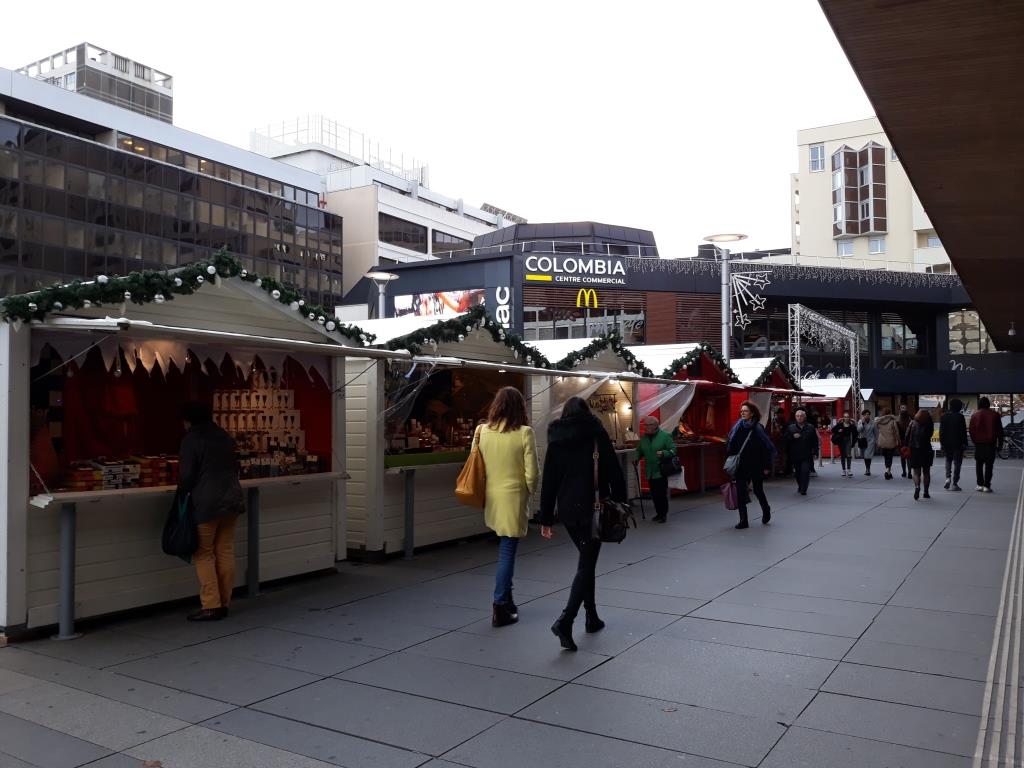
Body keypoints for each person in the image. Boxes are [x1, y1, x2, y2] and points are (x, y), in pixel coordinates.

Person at [540, 397, 627, 652]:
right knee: (586, 564)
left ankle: (592, 616)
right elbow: (613, 469)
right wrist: (621, 503)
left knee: (586, 563)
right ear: (586, 412)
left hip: (567, 510)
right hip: (594, 507)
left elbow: (550, 480)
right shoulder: (596, 434)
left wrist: (545, 517)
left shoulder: (556, 439)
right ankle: (565, 620)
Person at [477, 386, 538, 628]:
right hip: (514, 497)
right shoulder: (525, 433)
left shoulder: (482, 430)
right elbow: (532, 472)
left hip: (492, 496)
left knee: (505, 544)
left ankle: (508, 600)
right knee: (507, 549)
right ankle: (500, 604)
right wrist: (531, 491)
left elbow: (478, 463)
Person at [179, 401, 244, 622]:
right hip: (232, 499)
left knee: (203, 552)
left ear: (188, 420)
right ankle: (224, 602)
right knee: (225, 550)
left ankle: (211, 605)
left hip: (206, 502)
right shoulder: (224, 436)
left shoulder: (191, 439)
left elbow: (187, 476)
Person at [725, 401, 777, 529]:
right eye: (741, 411)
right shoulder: (737, 428)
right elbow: (731, 447)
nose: (742, 413)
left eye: (745, 411)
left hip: (756, 465)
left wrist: (766, 466)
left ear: (752, 413)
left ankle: (766, 509)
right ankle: (743, 520)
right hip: (741, 466)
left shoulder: (758, 428)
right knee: (740, 492)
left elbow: (765, 448)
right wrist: (731, 459)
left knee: (758, 490)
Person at [634, 415, 675, 524]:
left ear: (655, 425)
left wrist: (664, 453)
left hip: (661, 469)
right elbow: (639, 450)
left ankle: (663, 514)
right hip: (650, 470)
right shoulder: (644, 438)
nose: (645, 427)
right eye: (644, 425)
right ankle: (658, 513)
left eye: (647, 425)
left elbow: (673, 450)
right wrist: (636, 458)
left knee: (661, 493)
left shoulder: (665, 436)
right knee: (654, 493)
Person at [969, 396, 1004, 493]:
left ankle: (979, 484)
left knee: (979, 464)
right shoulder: (995, 415)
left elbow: (971, 431)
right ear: (988, 404)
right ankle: (987, 485)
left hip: (979, 444)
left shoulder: (975, 416)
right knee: (989, 465)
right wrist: (1000, 443)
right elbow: (1000, 431)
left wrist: (974, 441)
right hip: (990, 444)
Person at [939, 398, 968, 491]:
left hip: (947, 444)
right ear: (958, 407)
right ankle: (955, 483)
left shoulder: (944, 417)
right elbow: (963, 432)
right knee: (957, 463)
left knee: (948, 460)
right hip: (958, 444)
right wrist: (965, 443)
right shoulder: (960, 417)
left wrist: (942, 444)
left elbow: (941, 432)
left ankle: (948, 478)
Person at [787, 408, 817, 495]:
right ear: (795, 417)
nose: (799, 417)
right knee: (798, 472)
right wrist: (792, 437)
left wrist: (815, 452)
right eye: (797, 416)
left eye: (801, 416)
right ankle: (800, 485)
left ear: (805, 417)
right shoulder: (791, 427)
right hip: (795, 454)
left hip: (807, 454)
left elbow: (814, 440)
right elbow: (785, 439)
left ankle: (804, 489)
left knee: (805, 471)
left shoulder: (810, 427)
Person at [908, 408, 935, 500]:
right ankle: (926, 492)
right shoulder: (929, 424)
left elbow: (906, 435)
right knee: (926, 472)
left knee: (916, 472)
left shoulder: (912, 423)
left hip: (915, 449)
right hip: (927, 449)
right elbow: (930, 434)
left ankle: (917, 487)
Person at [875, 407, 902, 480]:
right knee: (890, 457)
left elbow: (876, 424)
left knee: (885, 457)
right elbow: (896, 432)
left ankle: (888, 471)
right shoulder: (892, 421)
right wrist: (899, 440)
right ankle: (887, 470)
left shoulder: (879, 421)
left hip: (882, 441)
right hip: (891, 441)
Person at [831, 412, 858, 477]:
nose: (846, 418)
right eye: (845, 417)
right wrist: (838, 430)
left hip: (848, 440)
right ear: (843, 418)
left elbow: (855, 433)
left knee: (848, 455)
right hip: (841, 441)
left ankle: (849, 470)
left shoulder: (851, 425)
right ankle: (843, 470)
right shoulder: (840, 424)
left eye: (848, 417)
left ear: (849, 418)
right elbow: (833, 430)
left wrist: (853, 443)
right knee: (843, 455)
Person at [857, 409, 878, 476]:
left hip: (871, 440)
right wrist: (862, 424)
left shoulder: (873, 422)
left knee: (868, 455)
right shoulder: (860, 421)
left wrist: (876, 440)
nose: (867, 416)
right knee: (865, 456)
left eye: (868, 414)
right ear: (863, 415)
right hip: (863, 440)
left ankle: (868, 469)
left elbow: (876, 432)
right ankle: (867, 468)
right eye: (866, 414)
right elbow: (858, 430)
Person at [897, 404, 913, 478]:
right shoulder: (910, 420)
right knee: (909, 457)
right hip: (909, 441)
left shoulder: (898, 421)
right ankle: (909, 472)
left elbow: (897, 432)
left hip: (901, 441)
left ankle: (904, 472)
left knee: (903, 457)